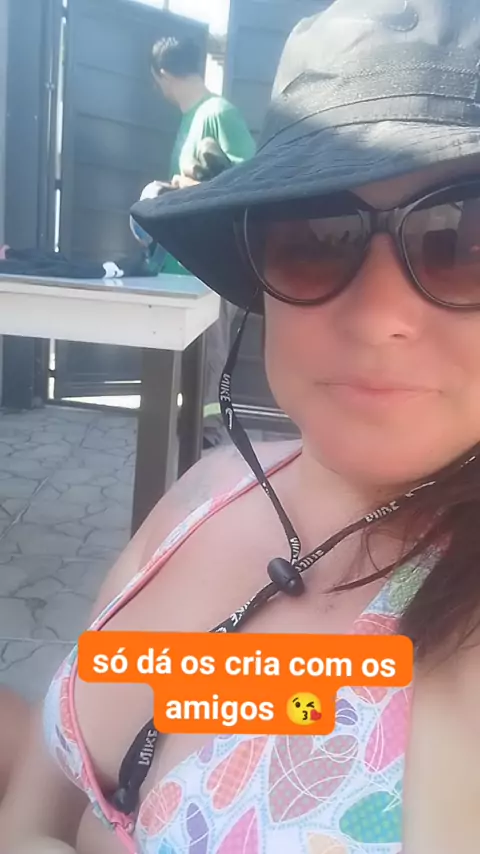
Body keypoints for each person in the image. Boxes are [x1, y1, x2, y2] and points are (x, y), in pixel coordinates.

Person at [3, 0, 480, 851]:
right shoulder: (215, 488)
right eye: (316, 238)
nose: (379, 318)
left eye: (467, 239)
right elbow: (62, 781)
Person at [150, 36, 256, 450]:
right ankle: (191, 439)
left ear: (162, 75)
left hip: (212, 265)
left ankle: (210, 443)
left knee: (211, 358)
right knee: (190, 362)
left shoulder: (219, 113)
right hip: (184, 265)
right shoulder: (191, 118)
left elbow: (248, 182)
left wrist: (187, 186)